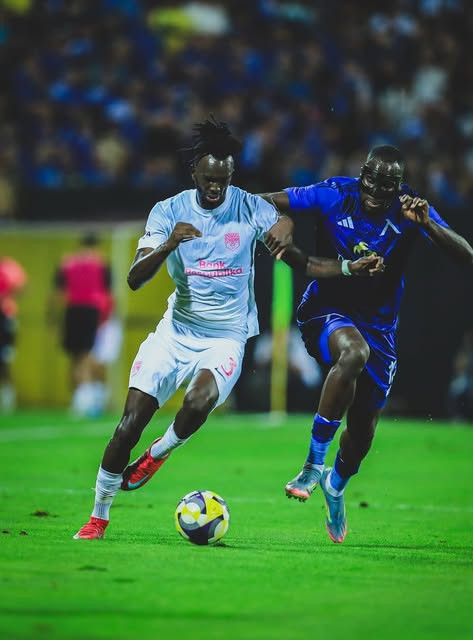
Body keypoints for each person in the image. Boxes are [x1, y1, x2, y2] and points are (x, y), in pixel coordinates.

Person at [73, 117, 388, 539]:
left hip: (226, 337)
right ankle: (98, 517)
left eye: (223, 179)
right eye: (209, 179)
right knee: (129, 424)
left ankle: (159, 452)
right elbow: (134, 278)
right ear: (195, 174)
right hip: (175, 332)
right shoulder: (168, 211)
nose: (216, 187)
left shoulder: (248, 207)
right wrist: (169, 244)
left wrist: (346, 266)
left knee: (198, 401)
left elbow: (301, 260)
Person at [261, 144, 473, 543]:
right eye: (371, 181)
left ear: (399, 186)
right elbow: (262, 200)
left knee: (362, 434)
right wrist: (284, 220)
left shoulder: (410, 211)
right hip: (326, 310)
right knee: (352, 352)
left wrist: (428, 225)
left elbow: (467, 255)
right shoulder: (333, 194)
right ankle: (312, 465)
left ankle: (335, 485)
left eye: (387, 185)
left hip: (380, 329)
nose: (376, 192)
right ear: (361, 175)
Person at [52, 232, 113, 416]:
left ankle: (78, 398)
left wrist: (55, 319)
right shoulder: (101, 263)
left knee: (74, 356)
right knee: (86, 355)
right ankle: (85, 399)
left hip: (72, 310)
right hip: (92, 311)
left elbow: (58, 293)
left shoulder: (67, 262)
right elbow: (109, 293)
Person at [0, 256, 27, 412]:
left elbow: (23, 288)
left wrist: (9, 293)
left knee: (5, 358)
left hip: (5, 316)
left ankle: (7, 397)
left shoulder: (10, 267)